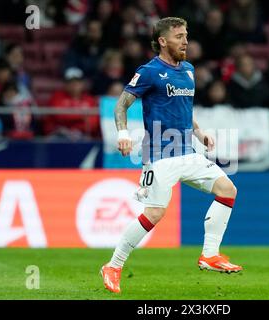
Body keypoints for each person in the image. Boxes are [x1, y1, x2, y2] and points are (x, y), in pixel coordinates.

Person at [100, 17, 241, 294]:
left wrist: (200, 134)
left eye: (186, 35)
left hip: (188, 153)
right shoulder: (150, 71)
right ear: (163, 41)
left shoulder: (188, 70)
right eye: (179, 36)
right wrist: (123, 134)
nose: (185, 41)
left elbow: (185, 109)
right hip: (160, 155)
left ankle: (209, 255)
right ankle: (113, 265)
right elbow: (121, 105)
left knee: (227, 190)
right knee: (154, 214)